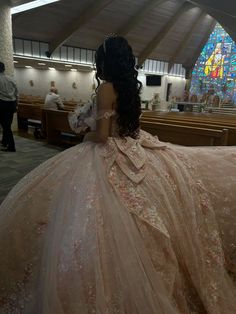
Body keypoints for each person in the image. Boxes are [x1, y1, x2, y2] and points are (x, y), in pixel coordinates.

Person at [0, 36, 235, 313]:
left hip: (107, 152)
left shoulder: (106, 88)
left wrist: (85, 138)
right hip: (131, 146)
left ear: (104, 62)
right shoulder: (128, 89)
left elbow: (101, 136)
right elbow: (126, 128)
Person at [0, 62, 18, 152]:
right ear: (4, 69)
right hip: (12, 104)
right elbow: (17, 93)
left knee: (6, 126)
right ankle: (4, 141)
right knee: (7, 124)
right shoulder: (11, 79)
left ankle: (11, 146)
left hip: (2, 104)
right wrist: (16, 105)